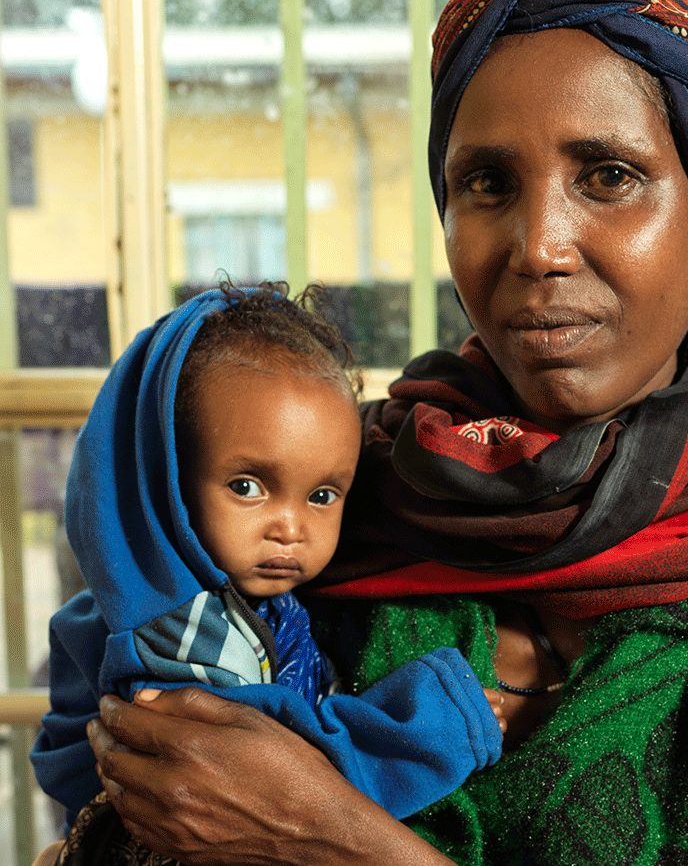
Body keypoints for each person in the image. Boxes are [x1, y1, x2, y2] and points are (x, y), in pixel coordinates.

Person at [72, 0, 688, 863]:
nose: (538, 246)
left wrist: (338, 841)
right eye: (488, 185)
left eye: (611, 175)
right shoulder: (334, 498)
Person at [31, 283, 505, 858]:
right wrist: (435, 719)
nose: (290, 527)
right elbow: (285, 781)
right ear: (167, 483)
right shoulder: (178, 633)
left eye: (323, 495)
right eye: (248, 486)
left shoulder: (232, 598)